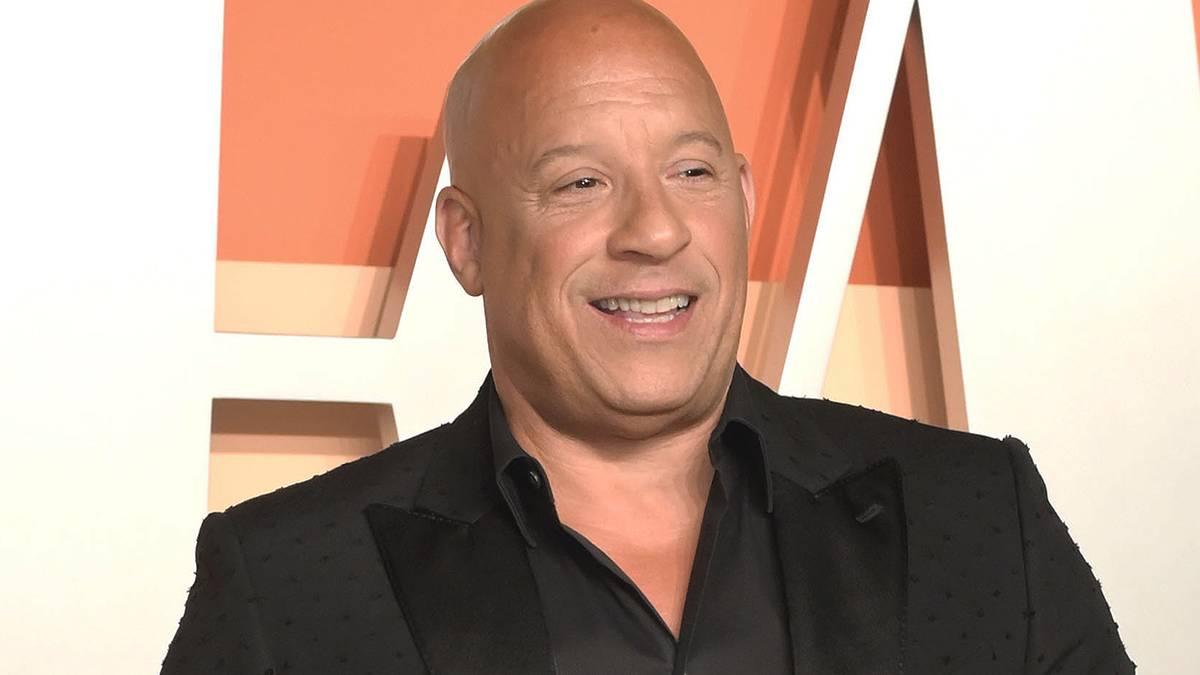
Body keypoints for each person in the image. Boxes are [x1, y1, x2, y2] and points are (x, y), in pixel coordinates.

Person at [162, 0, 1134, 672]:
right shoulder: (288, 584)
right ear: (466, 240)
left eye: (692, 174)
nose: (656, 231)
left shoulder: (979, 516)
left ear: (744, 199)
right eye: (581, 183)